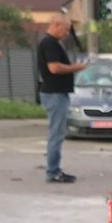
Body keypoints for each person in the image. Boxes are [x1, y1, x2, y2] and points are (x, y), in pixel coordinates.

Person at [37, 13, 87, 183]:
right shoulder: (49, 43)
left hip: (55, 92)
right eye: (65, 30)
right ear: (57, 25)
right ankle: (53, 171)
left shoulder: (51, 43)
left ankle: (54, 169)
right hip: (54, 93)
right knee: (56, 134)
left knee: (57, 133)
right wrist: (76, 68)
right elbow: (54, 68)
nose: (66, 34)